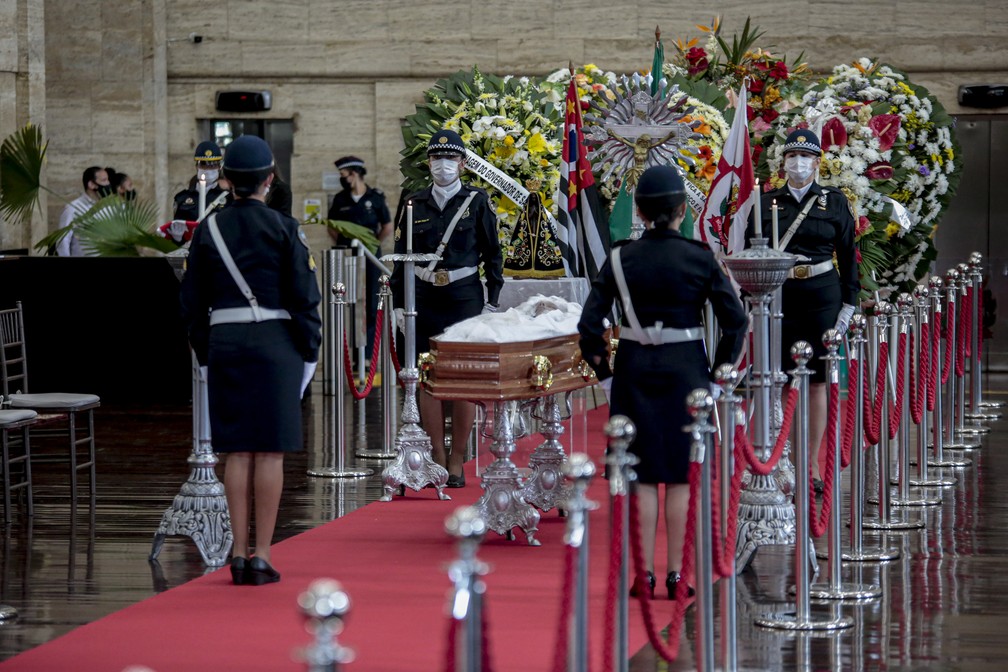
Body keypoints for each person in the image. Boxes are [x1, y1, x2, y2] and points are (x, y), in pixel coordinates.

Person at [578, 165, 747, 599]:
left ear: (639, 210)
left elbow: (589, 326)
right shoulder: (699, 257)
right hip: (686, 370)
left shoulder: (619, 257)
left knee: (640, 474)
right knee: (680, 474)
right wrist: (716, 378)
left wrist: (606, 378)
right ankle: (677, 574)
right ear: (681, 211)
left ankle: (643, 574)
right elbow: (735, 323)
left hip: (634, 371)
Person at [179, 135, 322, 586]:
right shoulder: (284, 228)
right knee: (270, 450)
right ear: (269, 179)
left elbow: (192, 302)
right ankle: (262, 554)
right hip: (275, 342)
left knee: (236, 450)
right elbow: (305, 297)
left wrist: (205, 354)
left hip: (226, 340)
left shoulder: (209, 228)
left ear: (226, 180)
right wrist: (310, 351)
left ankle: (236, 553)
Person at [745, 129, 859, 492]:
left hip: (822, 294)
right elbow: (752, 250)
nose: (799, 163)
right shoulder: (765, 203)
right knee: (778, 378)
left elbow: (847, 255)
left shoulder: (834, 202)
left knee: (817, 382)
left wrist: (849, 305)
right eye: (792, 157)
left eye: (806, 157)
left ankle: (808, 463)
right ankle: (779, 463)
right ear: (783, 163)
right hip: (780, 294)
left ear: (817, 162)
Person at [390, 130, 504, 488]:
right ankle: (437, 456)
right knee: (428, 375)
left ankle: (458, 460)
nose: (443, 165)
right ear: (428, 163)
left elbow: (492, 253)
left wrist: (492, 299)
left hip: (464, 295)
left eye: (450, 159)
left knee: (462, 376)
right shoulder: (413, 202)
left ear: (463, 163)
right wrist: (397, 303)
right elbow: (400, 258)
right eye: (437, 158)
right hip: (424, 296)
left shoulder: (476, 201)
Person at [328, 156, 393, 363]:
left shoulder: (375, 198)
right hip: (348, 258)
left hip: (371, 257)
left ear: (354, 174)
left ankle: (368, 356)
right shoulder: (340, 199)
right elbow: (332, 226)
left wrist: (372, 244)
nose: (342, 179)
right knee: (349, 302)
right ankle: (352, 356)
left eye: (343, 175)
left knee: (372, 303)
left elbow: (387, 226)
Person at [56, 166, 111, 257]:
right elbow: (63, 241)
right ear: (91, 184)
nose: (108, 184)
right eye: (104, 180)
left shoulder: (108, 208)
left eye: (108, 180)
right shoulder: (72, 208)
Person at [173, 140, 230, 222]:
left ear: (219, 167)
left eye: (213, 166)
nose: (207, 170)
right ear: (197, 166)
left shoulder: (228, 198)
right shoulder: (182, 198)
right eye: (203, 165)